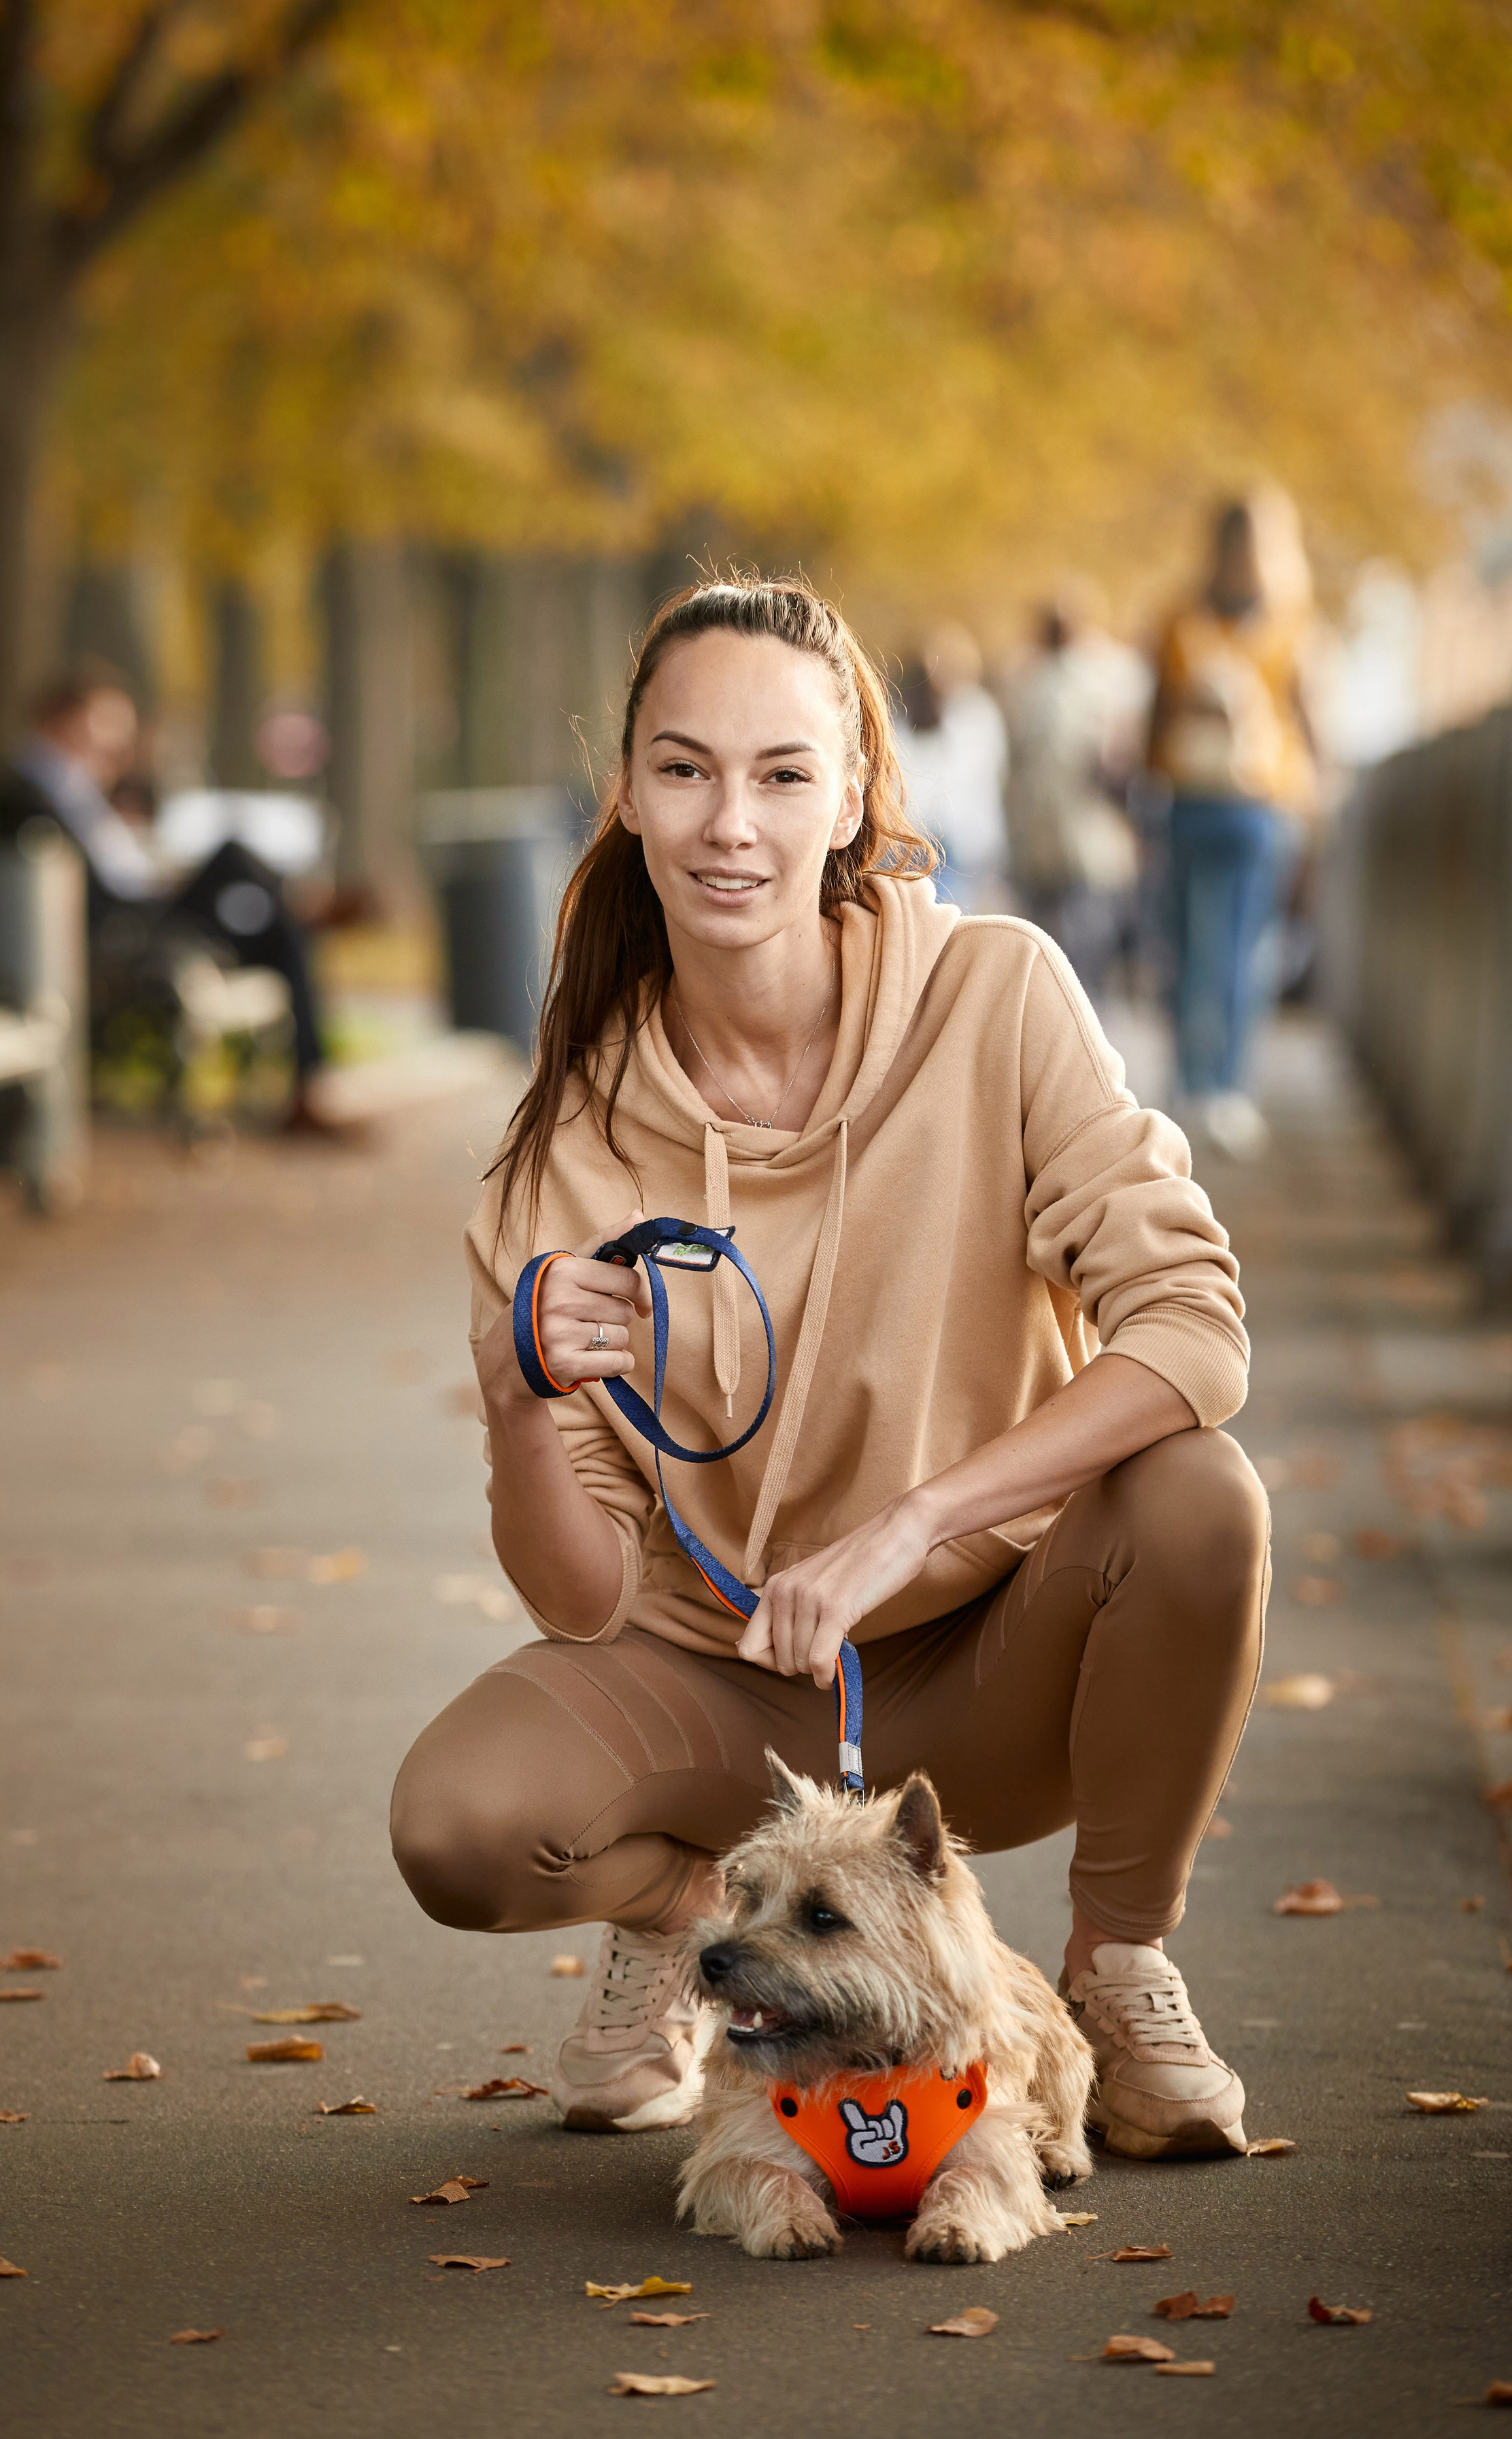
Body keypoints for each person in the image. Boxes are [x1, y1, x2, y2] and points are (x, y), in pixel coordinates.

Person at [389, 574, 1269, 2163]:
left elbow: (1191, 1325)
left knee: (1198, 1496)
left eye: (782, 773)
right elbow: (578, 1602)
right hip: (716, 1693)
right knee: (454, 1823)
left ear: (853, 790)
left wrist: (915, 1523)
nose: (731, 822)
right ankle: (701, 1927)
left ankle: (1113, 1967)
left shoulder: (993, 996)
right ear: (628, 795)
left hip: (983, 1670)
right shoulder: (563, 1143)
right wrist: (519, 1407)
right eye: (684, 769)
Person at [0, 665, 350, 1138]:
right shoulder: (39, 780)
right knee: (231, 854)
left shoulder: (71, 782)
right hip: (120, 927)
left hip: (139, 910)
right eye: (106, 722)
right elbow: (97, 877)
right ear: (64, 719)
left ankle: (309, 1090)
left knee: (282, 937)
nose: (118, 741)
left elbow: (116, 861)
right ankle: (306, 903)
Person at [1147, 489, 1320, 1160]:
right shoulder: (1179, 623)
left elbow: (1307, 723)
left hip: (1259, 807)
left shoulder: (1291, 628)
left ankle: (1223, 1084)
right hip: (1193, 801)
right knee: (1193, 945)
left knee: (1243, 951)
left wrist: (1314, 811)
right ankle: (1198, 1082)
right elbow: (1156, 719)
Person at [1003, 594, 1147, 1005]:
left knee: (1085, 948)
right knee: (1046, 951)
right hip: (1044, 843)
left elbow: (1119, 763)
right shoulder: (1029, 684)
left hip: (1084, 842)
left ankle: (1084, 1038)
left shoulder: (1100, 682)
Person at [892, 624, 1009, 912]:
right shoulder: (904, 715)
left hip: (964, 842)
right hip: (921, 837)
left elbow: (987, 779)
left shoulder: (976, 715)